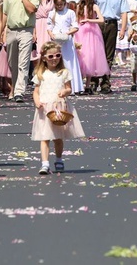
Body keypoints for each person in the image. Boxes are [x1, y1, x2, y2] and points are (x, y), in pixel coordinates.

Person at [31, 42, 85, 175]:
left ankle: (59, 158)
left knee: (57, 138)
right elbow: (36, 91)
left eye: (57, 55)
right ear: (44, 58)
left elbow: (69, 88)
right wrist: (37, 102)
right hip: (44, 108)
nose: (54, 58)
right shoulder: (40, 73)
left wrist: (64, 92)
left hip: (58, 107)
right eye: (51, 56)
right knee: (44, 137)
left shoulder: (64, 72)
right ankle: (44, 164)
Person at [1, 0, 41, 103]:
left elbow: (31, 9)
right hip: (11, 30)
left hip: (26, 30)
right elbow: (5, 14)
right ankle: (14, 88)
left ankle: (19, 91)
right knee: (12, 62)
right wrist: (1, 31)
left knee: (23, 62)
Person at [93, 0, 129, 94]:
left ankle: (105, 83)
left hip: (112, 24)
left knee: (109, 55)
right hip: (98, 24)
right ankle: (93, 81)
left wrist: (123, 29)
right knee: (96, 53)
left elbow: (124, 12)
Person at [46, 0, 84, 95]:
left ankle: (72, 86)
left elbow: (75, 26)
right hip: (56, 40)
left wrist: (68, 33)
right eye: (57, 5)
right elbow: (49, 26)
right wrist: (51, 34)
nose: (59, 7)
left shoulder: (70, 12)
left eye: (61, 5)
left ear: (65, 3)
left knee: (68, 62)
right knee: (56, 60)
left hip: (67, 41)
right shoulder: (52, 13)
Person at [74, 0, 110, 93]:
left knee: (90, 57)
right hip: (80, 31)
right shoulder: (79, 6)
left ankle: (88, 85)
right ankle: (79, 84)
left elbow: (101, 19)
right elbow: (76, 19)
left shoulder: (94, 6)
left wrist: (89, 20)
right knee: (81, 56)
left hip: (91, 32)